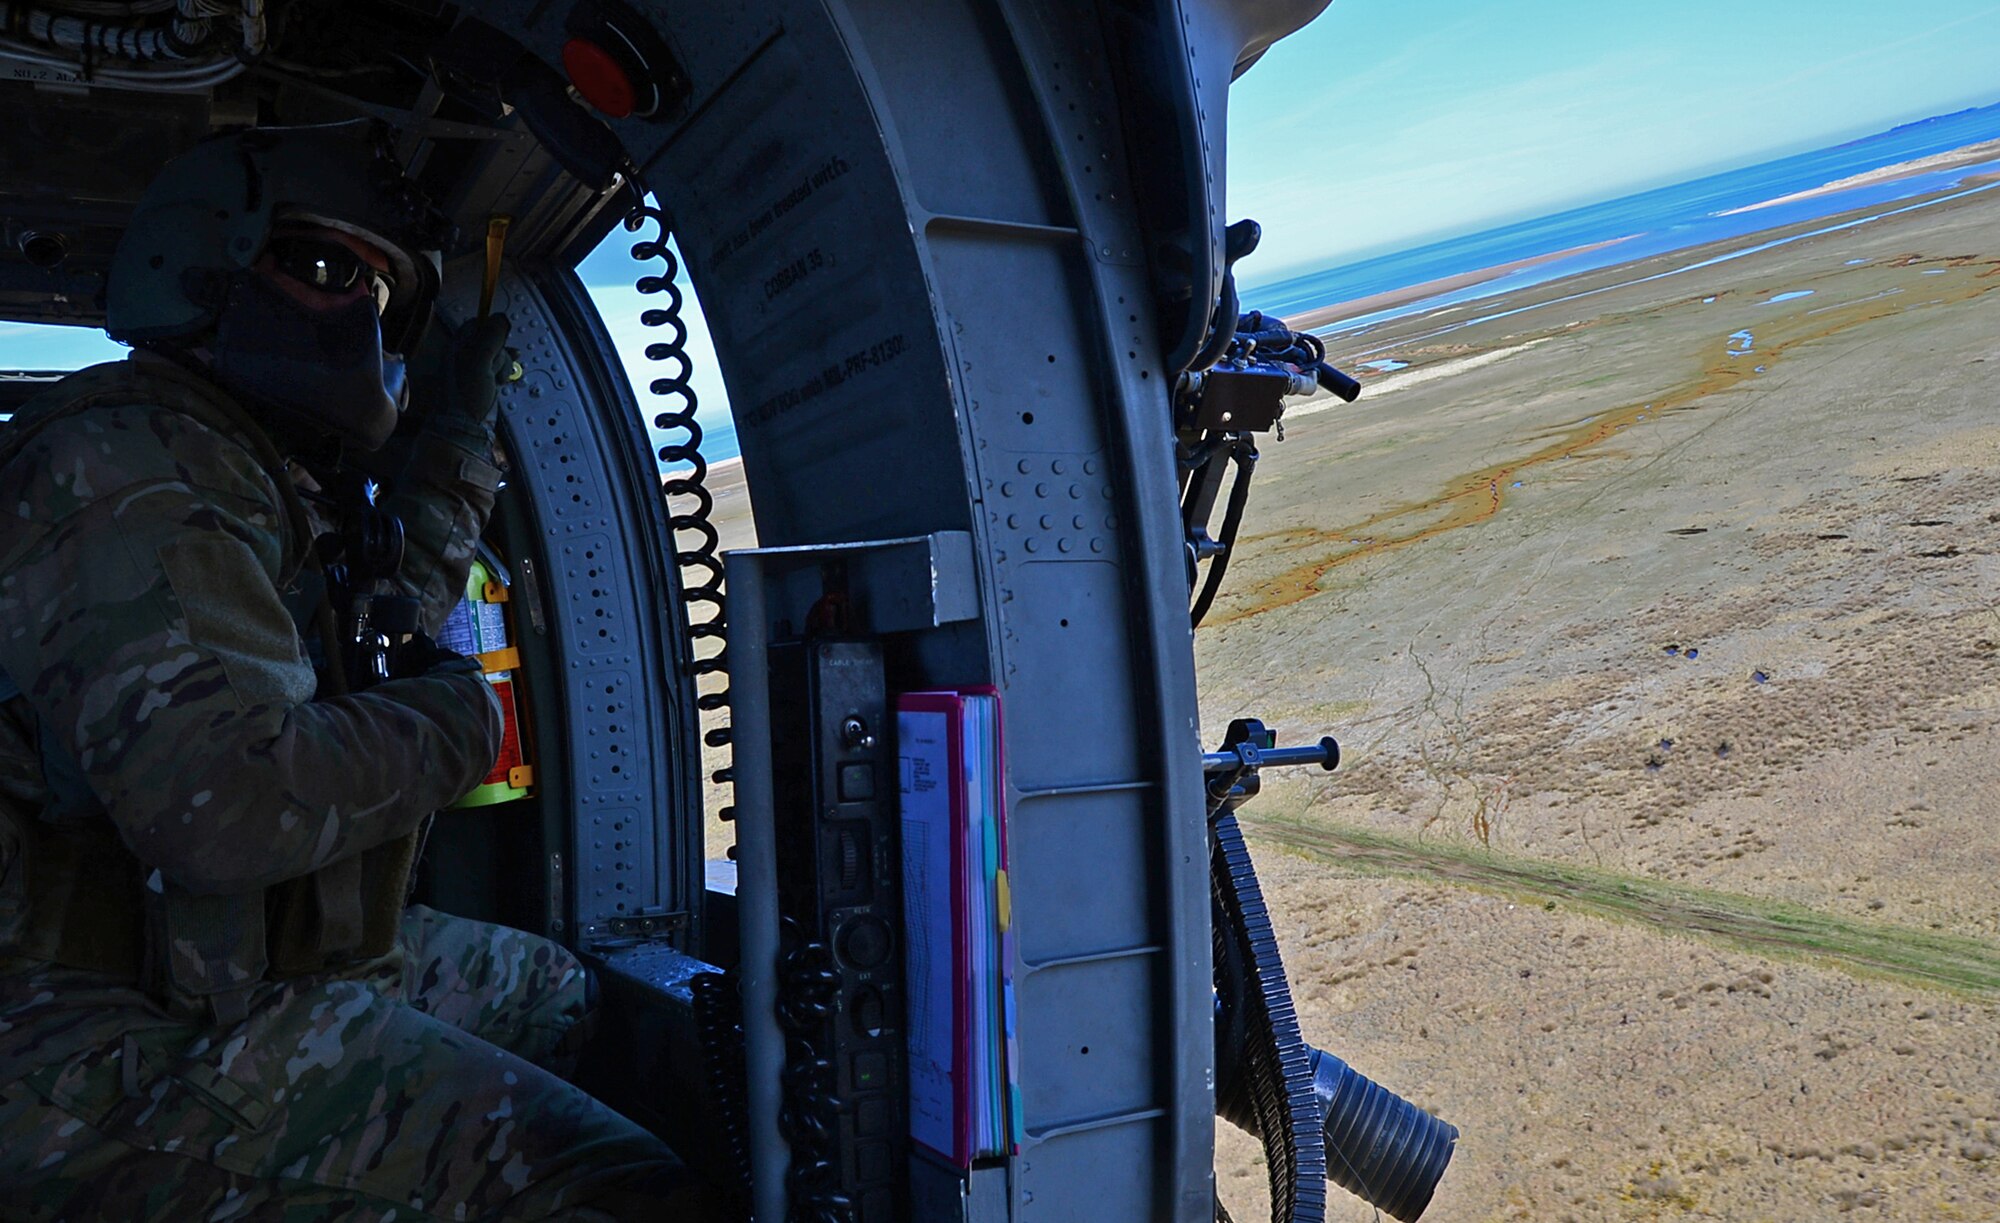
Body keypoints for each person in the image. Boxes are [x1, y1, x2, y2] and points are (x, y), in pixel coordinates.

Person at [0, 121, 715, 1220]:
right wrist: (455, 720)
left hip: (221, 952)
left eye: (385, 299)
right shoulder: (121, 467)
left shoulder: (249, 467)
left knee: (558, 995)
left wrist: (462, 430)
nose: (364, 326)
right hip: (79, 1014)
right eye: (333, 272)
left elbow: (392, 615)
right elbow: (225, 808)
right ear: (203, 262)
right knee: (616, 1189)